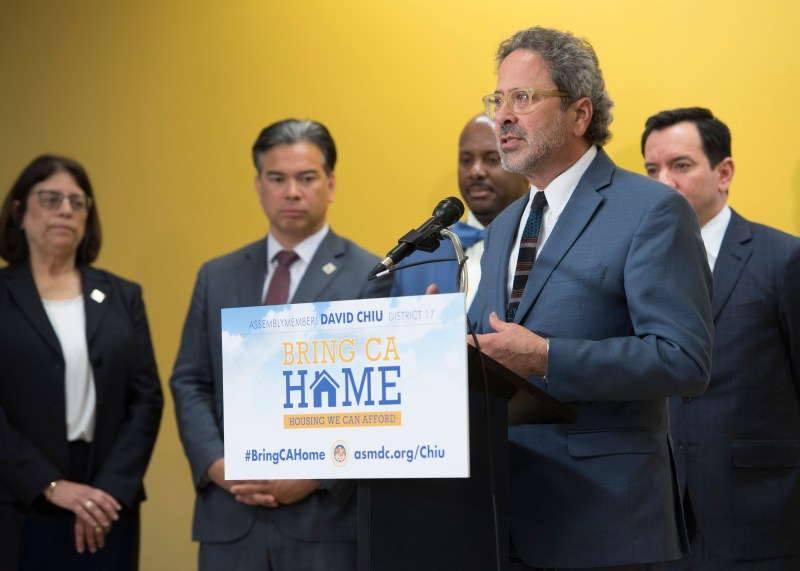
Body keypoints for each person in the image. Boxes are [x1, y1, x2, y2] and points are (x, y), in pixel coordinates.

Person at [468, 27, 714, 570]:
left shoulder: (650, 210)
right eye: (498, 99)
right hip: (503, 519)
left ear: (580, 114)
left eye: (523, 98)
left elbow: (685, 360)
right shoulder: (504, 226)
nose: (502, 116)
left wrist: (548, 357)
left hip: (606, 522)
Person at [170, 119, 393, 571]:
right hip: (230, 518)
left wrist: (314, 475)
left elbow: (377, 397)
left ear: (330, 184)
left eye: (306, 178)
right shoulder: (217, 276)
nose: (292, 191)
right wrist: (217, 464)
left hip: (324, 520)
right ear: (258, 185)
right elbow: (190, 380)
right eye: (277, 178)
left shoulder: (371, 277)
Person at [642, 107, 800, 570]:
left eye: (681, 166)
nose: (663, 182)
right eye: (652, 170)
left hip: (762, 515)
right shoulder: (639, 268)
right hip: (663, 521)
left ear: (723, 172)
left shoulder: (783, 259)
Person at [0, 155, 163, 570]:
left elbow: (146, 400)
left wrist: (106, 491)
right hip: (19, 498)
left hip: (108, 503)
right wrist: (50, 485)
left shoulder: (123, 296)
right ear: (18, 211)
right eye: (51, 198)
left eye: (78, 202)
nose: (66, 210)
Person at [389, 114, 529, 307]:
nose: (475, 171)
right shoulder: (415, 260)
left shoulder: (542, 244)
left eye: (492, 159)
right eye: (466, 160)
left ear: (525, 168)